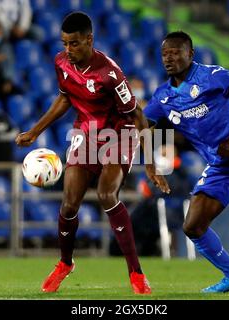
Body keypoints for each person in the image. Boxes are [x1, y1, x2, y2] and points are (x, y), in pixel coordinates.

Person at [16, 12, 170, 295]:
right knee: (69, 204)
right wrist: (35, 131)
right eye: (64, 43)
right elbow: (65, 97)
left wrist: (150, 164)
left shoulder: (110, 73)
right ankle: (65, 263)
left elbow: (137, 115)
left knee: (106, 195)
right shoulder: (61, 62)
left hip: (119, 134)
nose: (68, 50)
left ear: (89, 39)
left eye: (74, 44)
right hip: (85, 133)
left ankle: (136, 273)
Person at [143, 31, 229, 294]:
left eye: (175, 52)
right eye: (164, 54)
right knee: (193, 225)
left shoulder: (213, 77)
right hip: (219, 162)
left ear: (190, 54)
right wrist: (149, 165)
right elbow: (142, 127)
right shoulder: (163, 97)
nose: (169, 58)